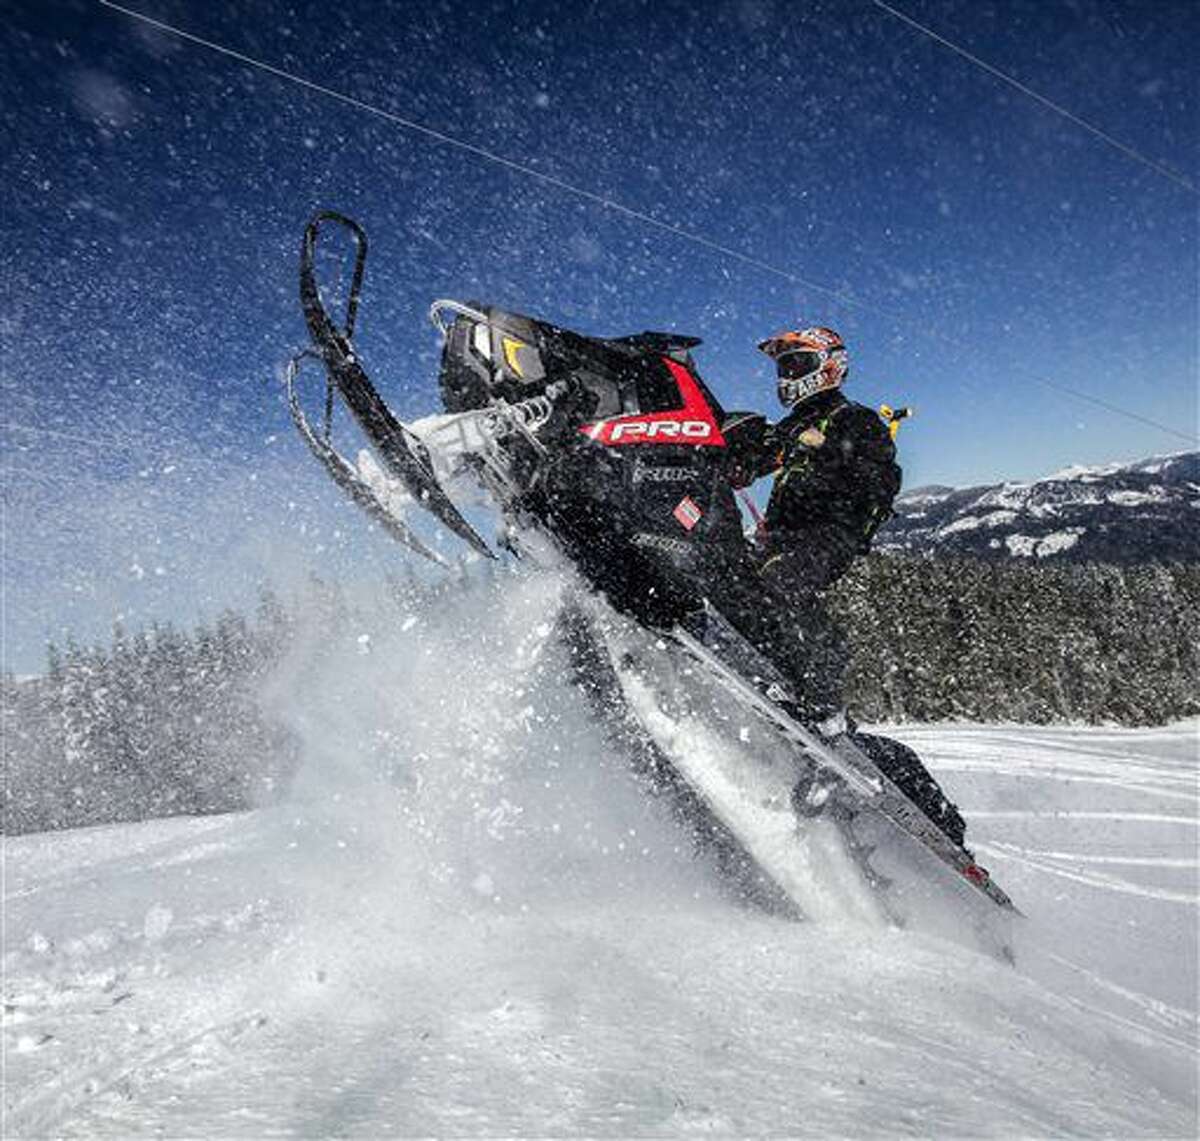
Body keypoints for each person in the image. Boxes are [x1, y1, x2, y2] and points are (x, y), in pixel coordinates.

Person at [718, 325, 900, 728]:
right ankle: (763, 662)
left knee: (782, 580)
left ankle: (822, 699)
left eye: (797, 364)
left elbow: (883, 472)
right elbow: (763, 454)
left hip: (829, 532)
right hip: (783, 535)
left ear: (830, 366)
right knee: (730, 572)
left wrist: (827, 447)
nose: (787, 376)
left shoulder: (852, 418)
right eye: (783, 367)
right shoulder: (794, 426)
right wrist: (738, 461)